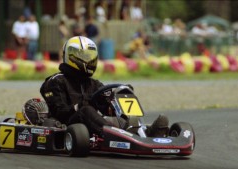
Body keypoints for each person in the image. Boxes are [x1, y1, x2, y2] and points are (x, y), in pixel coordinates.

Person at [39, 36, 169, 137]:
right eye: (86, 57)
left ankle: (143, 132)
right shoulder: (55, 81)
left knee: (118, 104)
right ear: (73, 57)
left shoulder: (94, 84)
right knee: (86, 111)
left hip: (93, 126)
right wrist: (85, 104)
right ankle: (122, 135)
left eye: (91, 57)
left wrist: (118, 96)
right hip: (68, 126)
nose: (90, 61)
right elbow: (60, 113)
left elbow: (107, 107)